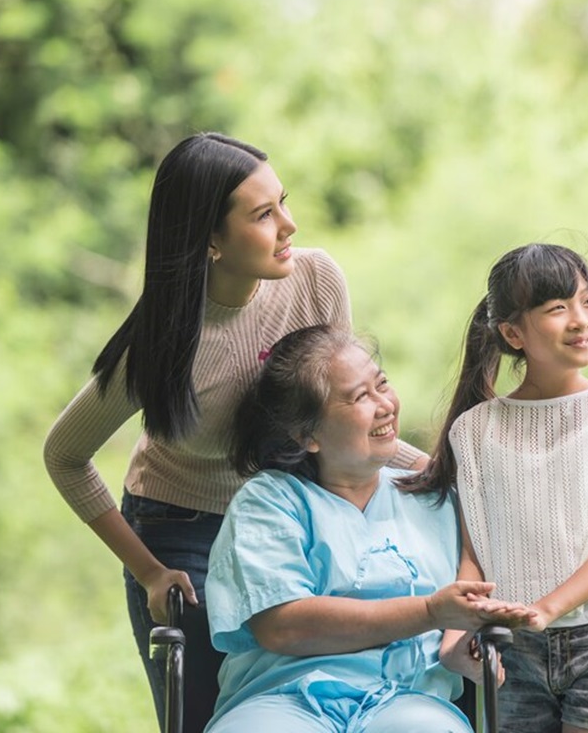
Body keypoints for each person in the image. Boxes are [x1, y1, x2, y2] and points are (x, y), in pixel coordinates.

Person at [41, 133, 429, 732]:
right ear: (211, 240)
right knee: (207, 717)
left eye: (284, 202)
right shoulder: (161, 346)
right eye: (264, 214)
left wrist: (441, 473)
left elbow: (343, 420)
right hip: (185, 531)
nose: (290, 225)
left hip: (294, 514)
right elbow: (65, 455)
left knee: (323, 699)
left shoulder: (315, 280)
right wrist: (148, 571)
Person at [204, 324, 534, 732]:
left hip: (407, 702)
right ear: (306, 434)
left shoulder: (437, 500)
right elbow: (283, 626)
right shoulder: (270, 502)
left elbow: (531, 560)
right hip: (283, 700)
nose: (385, 405)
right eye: (360, 397)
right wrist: (429, 611)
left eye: (382, 385)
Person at [410, 242, 588, 732]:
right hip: (508, 654)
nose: (581, 319)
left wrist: (545, 610)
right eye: (557, 308)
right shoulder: (475, 430)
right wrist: (457, 639)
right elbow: (474, 554)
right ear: (512, 333)